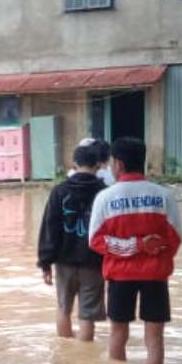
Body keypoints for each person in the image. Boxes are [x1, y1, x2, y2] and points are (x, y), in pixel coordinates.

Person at [88, 137, 182, 364]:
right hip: (156, 276)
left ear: (118, 164)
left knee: (118, 334)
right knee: (155, 337)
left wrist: (132, 247)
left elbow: (95, 241)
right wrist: (147, 248)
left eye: (111, 162)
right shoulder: (164, 196)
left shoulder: (105, 198)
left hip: (120, 276)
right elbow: (176, 238)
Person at [37, 140, 109, 341]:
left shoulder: (59, 191)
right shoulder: (104, 192)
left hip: (64, 262)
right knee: (88, 314)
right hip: (94, 262)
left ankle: (66, 358)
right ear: (98, 165)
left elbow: (49, 229)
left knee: (63, 308)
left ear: (74, 164)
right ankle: (86, 363)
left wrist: (45, 263)